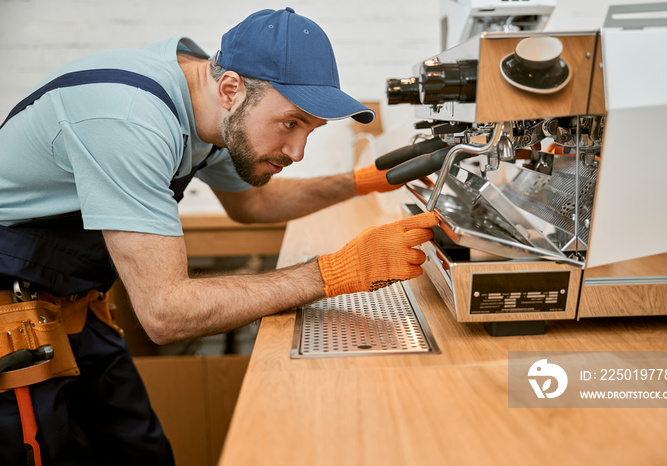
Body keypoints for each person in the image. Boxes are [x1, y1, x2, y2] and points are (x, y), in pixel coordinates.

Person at [0, 7, 438, 465]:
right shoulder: (129, 118)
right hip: (14, 326)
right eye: (290, 123)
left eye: (311, 129)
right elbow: (166, 313)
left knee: (141, 453)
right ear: (231, 88)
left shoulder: (210, 101)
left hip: (73, 309)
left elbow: (254, 203)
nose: (298, 151)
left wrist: (367, 180)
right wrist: (335, 272)